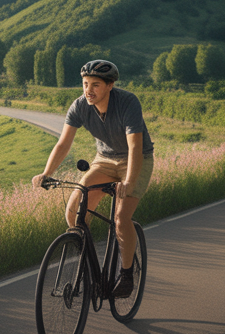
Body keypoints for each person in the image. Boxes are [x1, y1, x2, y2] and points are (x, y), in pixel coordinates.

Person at [31, 59, 154, 298]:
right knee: (73, 211)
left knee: (121, 218)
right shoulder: (79, 106)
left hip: (135, 160)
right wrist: (47, 174)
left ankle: (127, 274)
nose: (88, 90)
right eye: (85, 84)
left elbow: (135, 147)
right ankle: (91, 268)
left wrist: (128, 182)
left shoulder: (127, 102)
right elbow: (63, 143)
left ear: (110, 85)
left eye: (95, 84)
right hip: (104, 160)